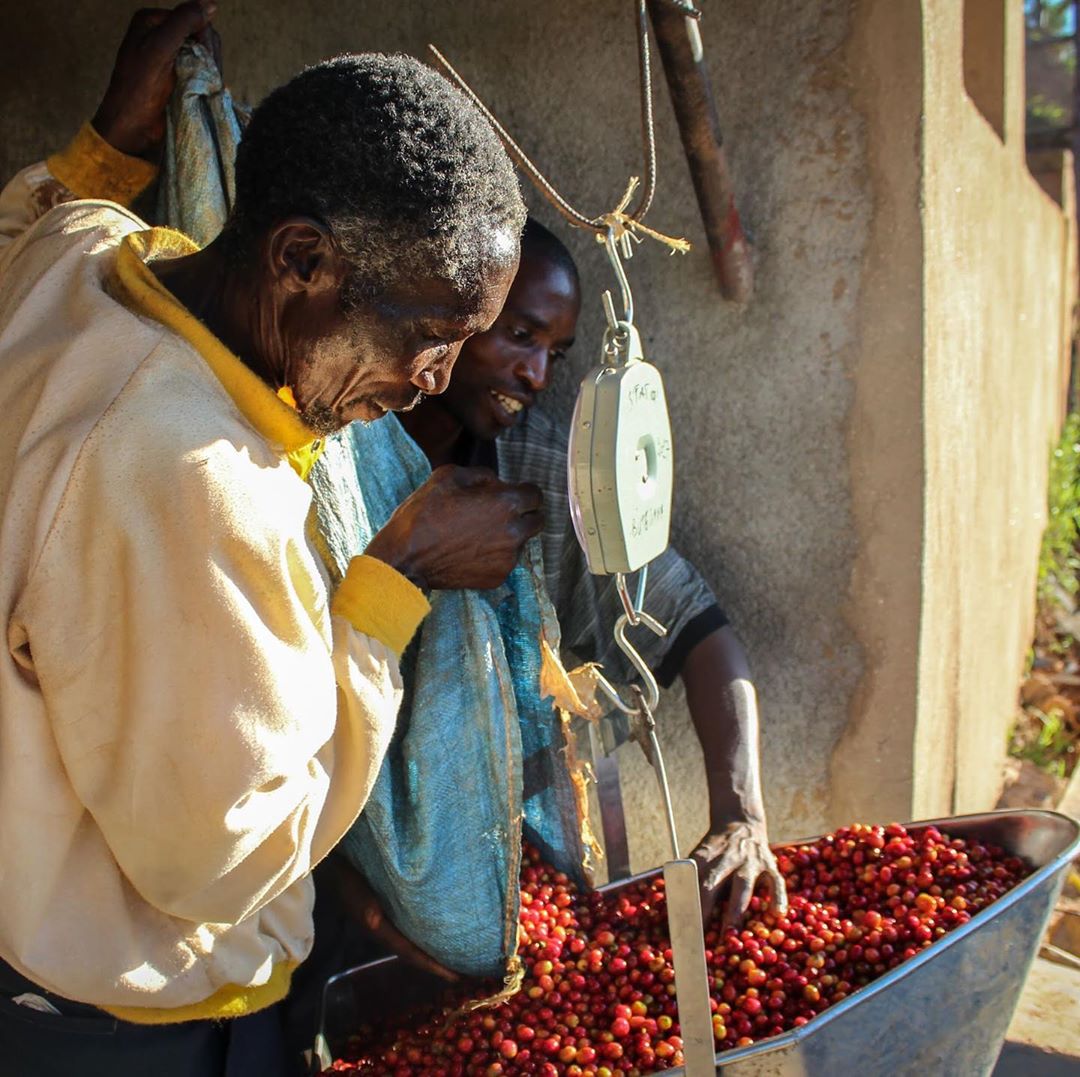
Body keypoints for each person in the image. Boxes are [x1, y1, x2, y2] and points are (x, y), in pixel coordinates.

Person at [0, 4, 539, 1074]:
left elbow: (35, 231)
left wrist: (108, 142)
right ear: (301, 259)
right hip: (134, 1031)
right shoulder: (191, 485)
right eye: (429, 338)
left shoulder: (92, 256)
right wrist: (397, 581)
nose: (434, 383)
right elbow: (221, 859)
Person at [396, 219, 788, 924]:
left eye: (555, 351)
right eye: (520, 334)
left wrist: (741, 815)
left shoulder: (542, 469)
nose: (538, 376)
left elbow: (698, 626)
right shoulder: (336, 453)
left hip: (488, 890)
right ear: (450, 309)